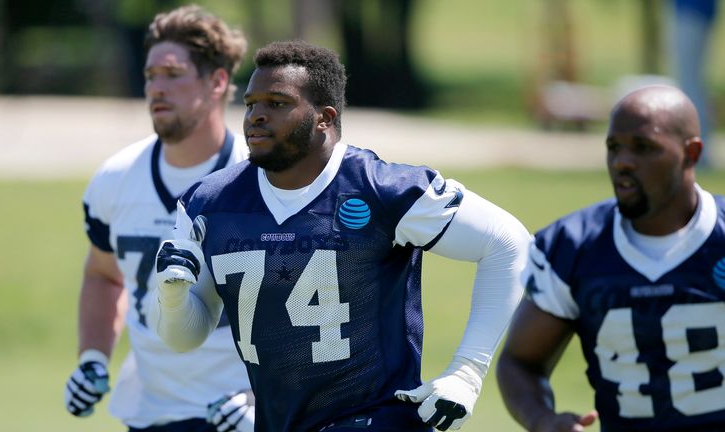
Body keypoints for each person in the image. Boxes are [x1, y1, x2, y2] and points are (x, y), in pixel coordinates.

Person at [150, 40, 531, 432]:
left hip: (375, 420)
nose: (256, 116)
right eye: (251, 104)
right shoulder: (210, 202)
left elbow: (508, 242)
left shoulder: (381, 188)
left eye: (276, 103)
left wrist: (467, 373)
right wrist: (173, 296)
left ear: (324, 118)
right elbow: (184, 338)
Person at [64, 5, 255, 431]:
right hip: (153, 412)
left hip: (247, 411)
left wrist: (264, 397)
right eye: (151, 76)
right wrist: (93, 357)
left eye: (173, 74)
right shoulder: (116, 178)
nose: (157, 88)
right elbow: (103, 275)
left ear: (218, 81)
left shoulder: (264, 176)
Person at [496, 85, 725, 431]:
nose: (622, 162)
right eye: (614, 147)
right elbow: (520, 361)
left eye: (644, 147)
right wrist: (542, 418)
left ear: (690, 153)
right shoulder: (574, 246)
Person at [669, 0, 717, 167]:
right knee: (690, 84)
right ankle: (696, 150)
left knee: (690, 86)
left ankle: (697, 151)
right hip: (689, 12)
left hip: (692, 12)